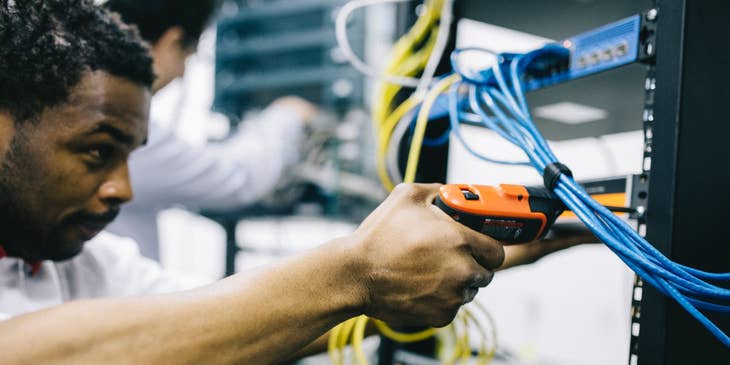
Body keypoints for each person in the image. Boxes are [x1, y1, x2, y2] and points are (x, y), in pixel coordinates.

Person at [0, 1, 592, 363]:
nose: (122, 189)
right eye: (98, 152)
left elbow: (220, 315)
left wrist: (444, 258)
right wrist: (358, 271)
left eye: (130, 156)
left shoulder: (73, 261)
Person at [101, 0, 318, 260]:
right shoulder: (125, 131)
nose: (182, 74)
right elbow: (237, 177)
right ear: (172, 42)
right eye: (187, 57)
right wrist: (289, 114)